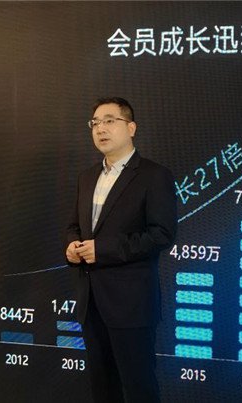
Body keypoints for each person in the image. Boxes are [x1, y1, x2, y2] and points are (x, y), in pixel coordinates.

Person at [65, 97, 177, 402]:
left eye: (109, 121)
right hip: (91, 303)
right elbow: (74, 226)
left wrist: (103, 250)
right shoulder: (87, 177)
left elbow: (162, 235)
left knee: (139, 388)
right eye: (95, 123)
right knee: (102, 388)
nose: (100, 129)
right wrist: (72, 246)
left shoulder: (154, 176)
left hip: (131, 305)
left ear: (131, 128)